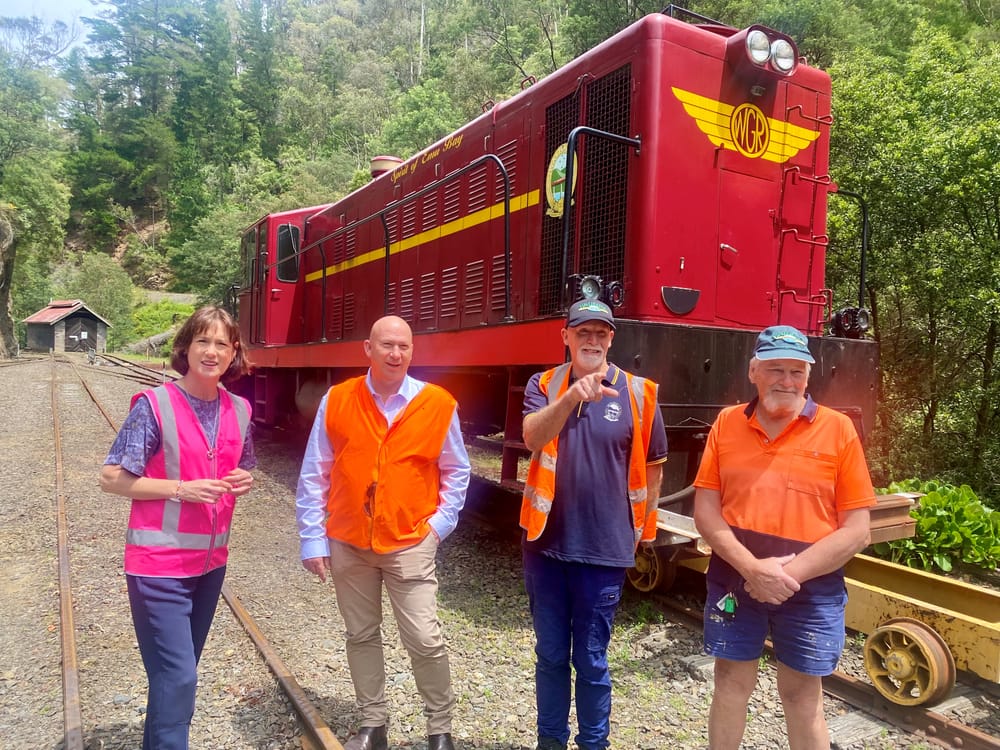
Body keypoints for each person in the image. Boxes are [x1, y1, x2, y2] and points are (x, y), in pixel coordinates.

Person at [692, 325, 876, 750]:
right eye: (776, 369)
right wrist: (752, 569)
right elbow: (706, 511)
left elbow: (857, 530)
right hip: (735, 578)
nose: (787, 381)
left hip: (811, 586)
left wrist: (784, 575)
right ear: (753, 370)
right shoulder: (727, 423)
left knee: (801, 696)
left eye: (797, 371)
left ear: (809, 376)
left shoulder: (838, 430)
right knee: (731, 682)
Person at [296, 315, 471, 750]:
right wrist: (312, 538)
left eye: (404, 347)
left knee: (426, 639)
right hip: (348, 540)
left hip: (410, 541)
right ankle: (373, 726)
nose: (396, 354)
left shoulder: (438, 403)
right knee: (361, 634)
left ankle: (440, 729)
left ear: (412, 353)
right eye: (387, 345)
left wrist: (437, 528)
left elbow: (457, 470)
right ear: (368, 350)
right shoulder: (337, 399)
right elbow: (315, 471)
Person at [99, 306, 255, 750]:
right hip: (158, 566)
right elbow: (111, 478)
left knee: (172, 679)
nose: (211, 351)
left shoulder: (240, 410)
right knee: (180, 677)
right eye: (202, 341)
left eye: (221, 344)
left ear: (233, 353)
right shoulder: (155, 406)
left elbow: (240, 468)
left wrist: (244, 480)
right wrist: (181, 489)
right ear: (185, 348)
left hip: (209, 567)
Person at [520, 299, 668, 750]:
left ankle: (593, 744)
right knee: (549, 655)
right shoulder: (544, 384)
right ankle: (550, 742)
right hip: (545, 546)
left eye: (601, 333)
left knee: (591, 658)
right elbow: (532, 438)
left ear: (611, 339)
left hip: (604, 550)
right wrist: (571, 396)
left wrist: (643, 533)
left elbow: (654, 466)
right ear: (565, 336)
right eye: (583, 332)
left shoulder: (640, 393)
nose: (593, 340)